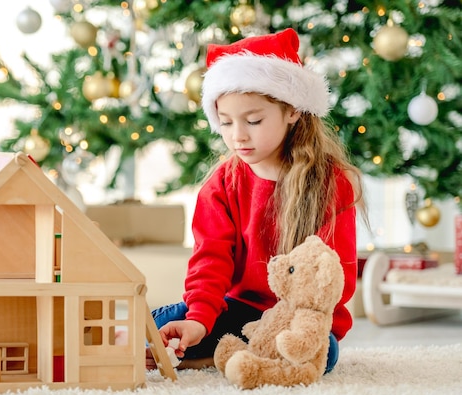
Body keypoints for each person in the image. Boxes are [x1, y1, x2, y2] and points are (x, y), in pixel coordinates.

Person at [147, 28, 366, 373]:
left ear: (292, 110)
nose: (238, 136)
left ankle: (221, 354)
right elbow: (210, 262)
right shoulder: (222, 184)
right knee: (171, 321)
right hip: (233, 308)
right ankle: (216, 348)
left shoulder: (332, 183)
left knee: (325, 354)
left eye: (253, 120)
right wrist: (200, 321)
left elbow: (335, 277)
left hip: (298, 318)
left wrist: (297, 327)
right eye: (226, 123)